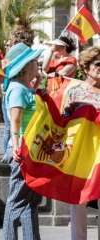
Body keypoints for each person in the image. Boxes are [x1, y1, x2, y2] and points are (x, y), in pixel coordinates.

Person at [2, 43, 44, 240]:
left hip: (30, 149)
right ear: (26, 65)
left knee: (30, 201)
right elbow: (16, 120)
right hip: (22, 150)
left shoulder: (23, 87)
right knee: (16, 201)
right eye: (35, 61)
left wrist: (35, 85)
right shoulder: (17, 88)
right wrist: (17, 145)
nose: (38, 64)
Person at [57, 46, 100, 240]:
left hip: (99, 154)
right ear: (86, 67)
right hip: (80, 153)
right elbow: (63, 120)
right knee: (78, 201)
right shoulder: (74, 91)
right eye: (98, 64)